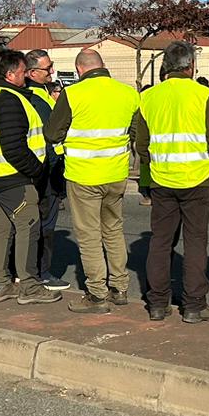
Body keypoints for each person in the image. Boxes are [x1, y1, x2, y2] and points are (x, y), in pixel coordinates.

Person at [134, 40, 209, 323]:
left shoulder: (149, 97)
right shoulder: (203, 95)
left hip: (163, 180)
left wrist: (150, 171)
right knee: (195, 242)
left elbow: (141, 143)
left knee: (161, 241)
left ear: (165, 66)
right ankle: (194, 305)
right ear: (191, 66)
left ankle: (158, 303)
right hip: (197, 180)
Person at [47, 47, 139, 313]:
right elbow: (135, 133)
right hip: (116, 175)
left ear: (79, 69)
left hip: (83, 175)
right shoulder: (128, 94)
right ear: (103, 65)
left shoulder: (73, 94)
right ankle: (120, 288)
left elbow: (53, 133)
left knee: (88, 237)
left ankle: (97, 294)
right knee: (113, 231)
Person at [0, 49, 60, 305]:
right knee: (29, 226)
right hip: (14, 177)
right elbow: (14, 146)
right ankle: (29, 286)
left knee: (3, 230)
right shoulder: (8, 99)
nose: (26, 76)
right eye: (23, 72)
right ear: (11, 74)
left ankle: (1, 284)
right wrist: (36, 170)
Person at [23, 49, 72, 292]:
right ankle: (41, 273)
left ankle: (25, 271)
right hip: (46, 171)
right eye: (47, 68)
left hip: (43, 169)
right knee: (45, 225)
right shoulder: (34, 98)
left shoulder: (38, 94)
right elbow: (48, 138)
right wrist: (54, 171)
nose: (52, 71)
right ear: (32, 72)